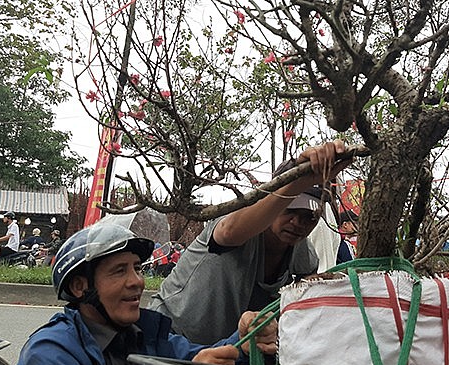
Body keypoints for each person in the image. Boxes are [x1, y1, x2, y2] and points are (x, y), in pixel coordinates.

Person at [12, 223, 277, 365]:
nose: (137, 281)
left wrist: (244, 342)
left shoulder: (145, 335)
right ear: (81, 287)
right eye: (119, 271)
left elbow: (204, 359)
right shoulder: (50, 352)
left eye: (137, 269)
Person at [149, 140, 350, 344]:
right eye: (289, 210)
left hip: (221, 353)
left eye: (310, 216)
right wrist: (300, 180)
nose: (298, 223)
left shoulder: (301, 252)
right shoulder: (236, 224)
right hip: (167, 336)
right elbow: (229, 233)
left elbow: (306, 288)